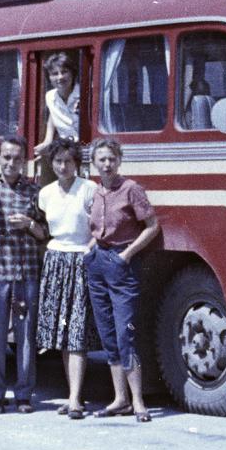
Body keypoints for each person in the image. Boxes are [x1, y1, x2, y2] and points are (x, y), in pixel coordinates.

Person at [85, 137, 159, 422]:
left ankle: (138, 402)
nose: (107, 164)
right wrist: (89, 253)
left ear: (119, 161)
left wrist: (126, 255)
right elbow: (96, 230)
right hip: (98, 264)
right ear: (94, 163)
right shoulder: (95, 192)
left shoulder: (131, 190)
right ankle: (120, 400)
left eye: (111, 159)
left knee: (125, 333)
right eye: (101, 159)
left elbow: (152, 227)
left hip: (121, 264)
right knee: (107, 335)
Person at [33, 139, 96, 419]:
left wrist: (89, 252)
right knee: (62, 330)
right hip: (55, 259)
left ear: (77, 163)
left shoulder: (89, 189)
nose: (62, 166)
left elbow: (99, 228)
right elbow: (46, 230)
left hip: (81, 258)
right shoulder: (45, 193)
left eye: (68, 161)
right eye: (58, 161)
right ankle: (72, 395)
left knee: (77, 332)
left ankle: (75, 398)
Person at [0, 136, 44, 414]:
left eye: (17, 158)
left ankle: (23, 394)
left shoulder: (34, 192)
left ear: (24, 161)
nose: (11, 163)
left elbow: (44, 234)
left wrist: (29, 224)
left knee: (26, 336)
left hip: (26, 271)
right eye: (6, 157)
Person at [34, 53, 80, 153]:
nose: (60, 77)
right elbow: (53, 114)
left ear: (73, 73)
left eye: (64, 72)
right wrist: (47, 140)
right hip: (65, 149)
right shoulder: (50, 96)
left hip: (85, 147)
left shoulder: (84, 94)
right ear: (49, 78)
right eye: (55, 74)